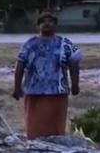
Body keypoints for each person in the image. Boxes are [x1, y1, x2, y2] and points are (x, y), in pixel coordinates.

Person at [12, 11, 83, 139]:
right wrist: (17, 87)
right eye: (43, 21)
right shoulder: (30, 44)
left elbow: (74, 64)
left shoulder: (65, 43)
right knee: (35, 127)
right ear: (38, 25)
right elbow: (20, 65)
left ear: (55, 25)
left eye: (50, 21)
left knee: (55, 128)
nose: (46, 23)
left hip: (58, 91)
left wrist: (75, 85)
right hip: (34, 92)